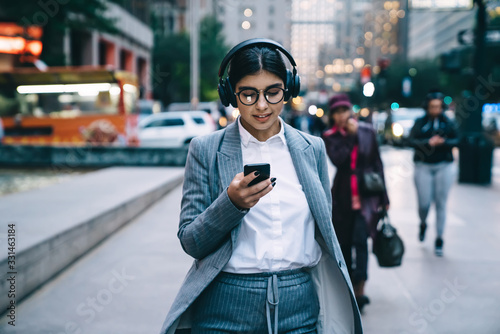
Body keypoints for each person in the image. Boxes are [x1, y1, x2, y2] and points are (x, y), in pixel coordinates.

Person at [160, 39, 362, 334]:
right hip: (224, 309)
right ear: (230, 94)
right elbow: (191, 241)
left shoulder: (312, 148)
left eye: (273, 92)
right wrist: (230, 204)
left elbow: (323, 230)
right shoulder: (205, 149)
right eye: (249, 94)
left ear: (289, 89)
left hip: (300, 309)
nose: (262, 105)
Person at [321, 93, 389, 313]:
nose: (342, 116)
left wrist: (385, 197)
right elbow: (339, 160)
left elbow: (377, 163)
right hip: (342, 197)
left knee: (361, 241)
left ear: (351, 111)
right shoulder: (330, 136)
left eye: (345, 111)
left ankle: (360, 289)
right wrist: (351, 137)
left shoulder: (367, 132)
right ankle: (348, 288)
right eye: (337, 112)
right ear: (332, 115)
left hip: (367, 196)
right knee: (344, 244)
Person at [408, 91, 459, 256]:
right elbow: (410, 140)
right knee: (424, 203)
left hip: (443, 164)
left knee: (441, 202)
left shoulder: (448, 122)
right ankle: (423, 223)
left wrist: (443, 143)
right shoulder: (420, 122)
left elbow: (458, 139)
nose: (435, 110)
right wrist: (427, 142)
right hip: (423, 165)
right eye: (432, 107)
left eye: (438, 107)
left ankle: (439, 238)